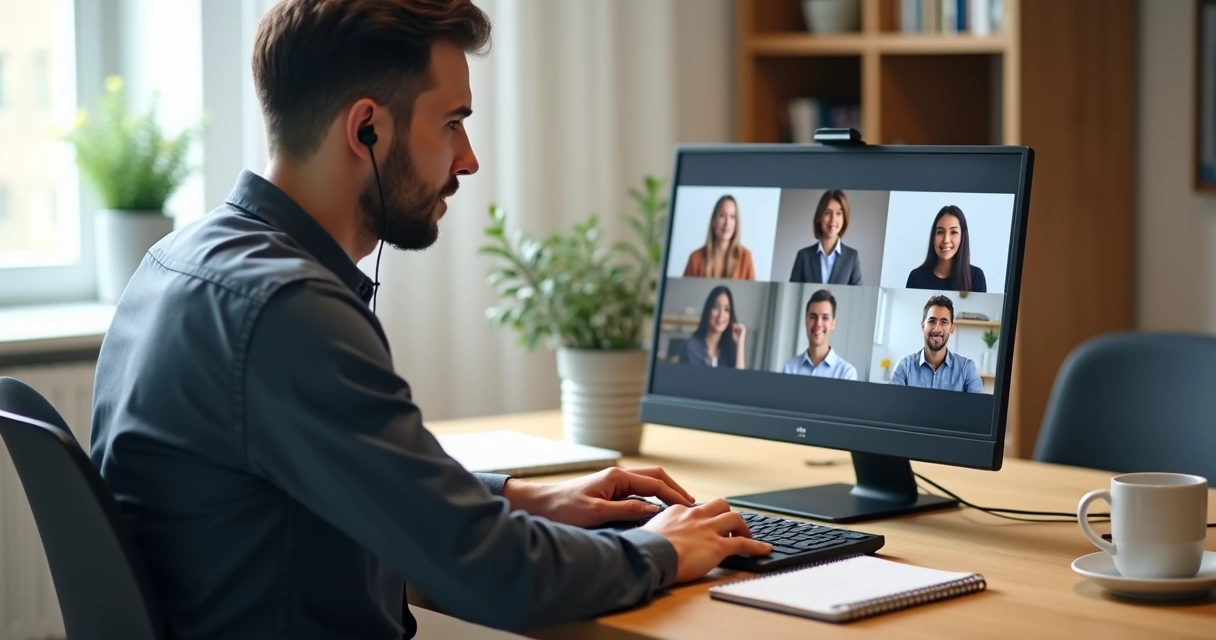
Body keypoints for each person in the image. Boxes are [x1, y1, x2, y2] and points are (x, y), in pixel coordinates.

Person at [87, 2, 771, 638]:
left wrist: (527, 500)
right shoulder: (289, 312)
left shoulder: (177, 262)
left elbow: (361, 481)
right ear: (367, 129)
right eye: (452, 123)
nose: (468, 158)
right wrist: (661, 548)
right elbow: (503, 577)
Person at [888, 295, 985, 393]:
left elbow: (980, 406)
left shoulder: (967, 368)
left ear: (952, 328)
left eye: (944, 322)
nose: (937, 329)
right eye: (932, 321)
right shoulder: (904, 367)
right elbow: (893, 405)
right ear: (922, 326)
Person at [904, 205, 988, 292]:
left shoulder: (976, 277)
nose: (946, 240)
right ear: (933, 236)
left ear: (962, 237)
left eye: (953, 232)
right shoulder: (916, 277)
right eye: (940, 232)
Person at [781, 289, 858, 380]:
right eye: (813, 317)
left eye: (825, 318)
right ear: (806, 321)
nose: (818, 324)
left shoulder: (846, 373)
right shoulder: (789, 369)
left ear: (833, 324)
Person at [789, 189, 862, 285]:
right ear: (819, 217)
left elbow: (857, 295)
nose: (833, 219)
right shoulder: (803, 256)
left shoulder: (852, 257)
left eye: (838, 213)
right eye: (827, 213)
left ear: (844, 218)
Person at [682, 194, 756, 279]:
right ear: (713, 221)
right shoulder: (695, 258)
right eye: (722, 216)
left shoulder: (745, 257)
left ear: (736, 223)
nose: (727, 223)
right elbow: (685, 291)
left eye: (732, 217)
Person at [676, 286, 747, 369]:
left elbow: (740, 380)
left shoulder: (730, 351)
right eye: (716, 307)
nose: (721, 315)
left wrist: (740, 343)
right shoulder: (690, 347)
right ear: (708, 310)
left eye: (727, 309)